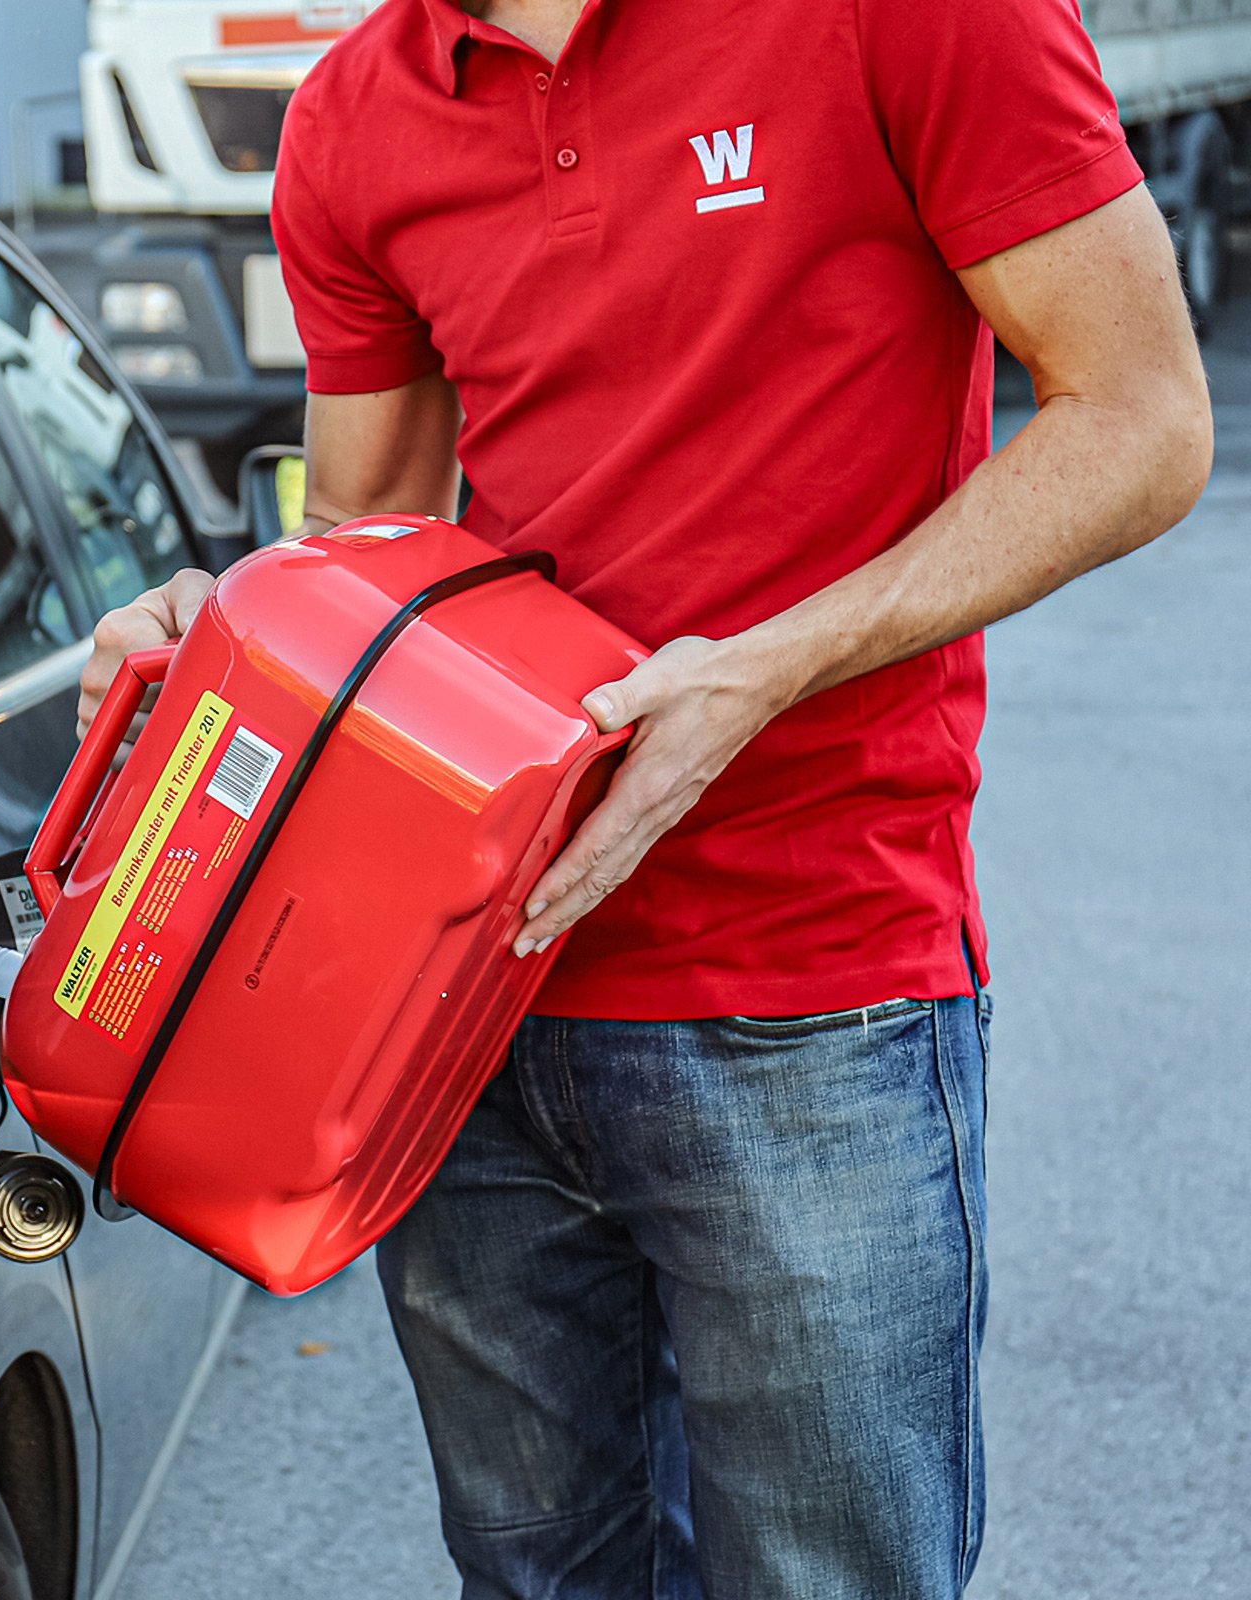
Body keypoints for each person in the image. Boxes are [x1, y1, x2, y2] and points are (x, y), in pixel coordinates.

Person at [79, 0, 1212, 1591]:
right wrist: (221, 636)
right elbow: (367, 552)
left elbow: (1144, 419)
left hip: (810, 990)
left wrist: (767, 667)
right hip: (463, 1013)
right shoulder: (351, 114)